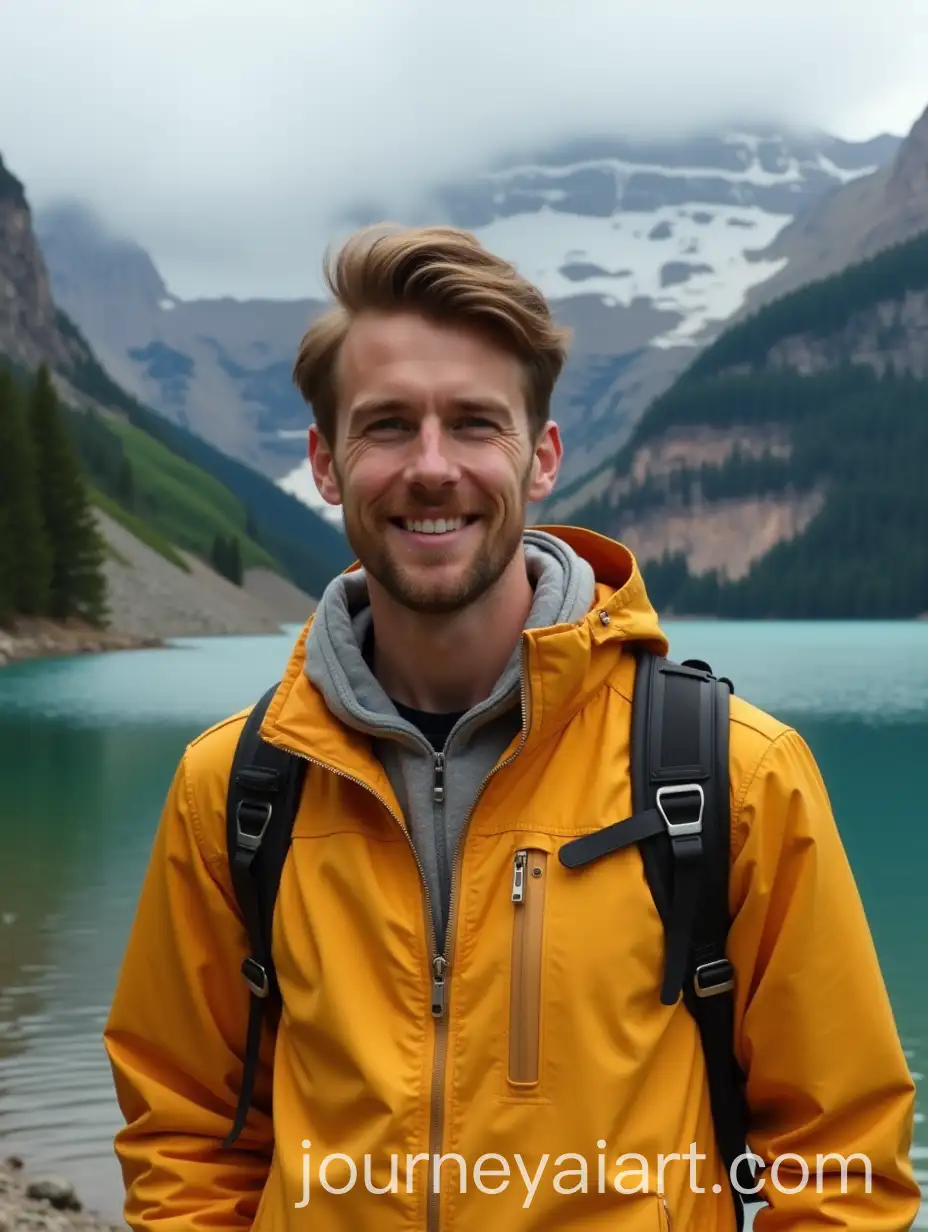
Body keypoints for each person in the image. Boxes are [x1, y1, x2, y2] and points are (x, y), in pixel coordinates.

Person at [103, 223, 921, 1230]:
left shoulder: (731, 774)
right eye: (389, 424)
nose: (433, 466)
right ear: (326, 461)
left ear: (541, 457)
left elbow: (838, 1161)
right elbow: (183, 1128)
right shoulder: (236, 786)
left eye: (476, 424)